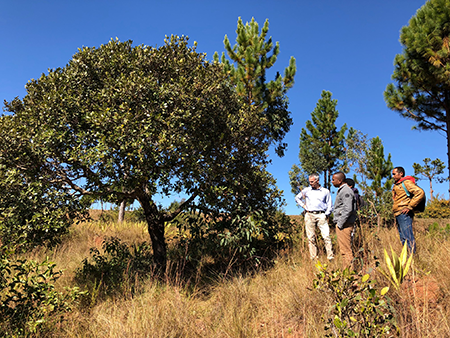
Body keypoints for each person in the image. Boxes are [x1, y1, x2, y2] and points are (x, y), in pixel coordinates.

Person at [295, 173, 334, 261]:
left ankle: (330, 256)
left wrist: (326, 214)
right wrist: (304, 206)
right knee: (311, 237)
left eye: (312, 182)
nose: (310, 183)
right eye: (309, 182)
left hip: (321, 214)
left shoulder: (325, 191)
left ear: (317, 181)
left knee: (326, 236)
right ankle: (314, 258)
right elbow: (297, 198)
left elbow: (329, 204)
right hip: (309, 214)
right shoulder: (307, 190)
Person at [392, 166, 425, 253]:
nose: (393, 176)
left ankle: (411, 259)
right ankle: (407, 257)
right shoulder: (398, 184)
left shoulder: (406, 182)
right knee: (403, 238)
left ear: (401, 173)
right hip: (399, 213)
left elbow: (420, 192)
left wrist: (410, 206)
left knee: (407, 237)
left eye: (394, 174)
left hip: (404, 214)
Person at [331, 172, 357, 267]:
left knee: (345, 251)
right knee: (344, 250)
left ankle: (350, 274)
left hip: (345, 224)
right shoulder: (343, 190)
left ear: (340, 180)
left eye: (333, 179)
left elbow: (348, 208)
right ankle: (347, 272)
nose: (332, 182)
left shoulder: (346, 191)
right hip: (343, 223)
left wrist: (340, 223)